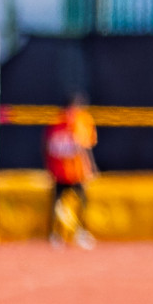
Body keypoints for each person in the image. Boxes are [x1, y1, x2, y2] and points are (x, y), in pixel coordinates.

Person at [45, 94, 98, 249]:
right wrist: (91, 167)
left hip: (74, 172)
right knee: (58, 205)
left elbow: (83, 146)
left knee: (81, 204)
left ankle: (78, 233)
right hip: (65, 172)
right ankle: (56, 235)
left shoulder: (79, 121)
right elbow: (82, 147)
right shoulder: (70, 122)